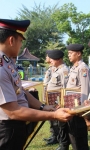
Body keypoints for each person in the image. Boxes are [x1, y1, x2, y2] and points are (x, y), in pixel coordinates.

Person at [0, 18, 72, 150]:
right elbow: (13, 112)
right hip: (7, 128)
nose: (21, 45)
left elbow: (21, 92)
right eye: (20, 41)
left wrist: (43, 106)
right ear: (11, 40)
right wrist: (54, 115)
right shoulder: (1, 68)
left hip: (14, 127)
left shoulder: (7, 63)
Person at [56, 44, 90, 150]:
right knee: (73, 137)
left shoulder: (83, 68)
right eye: (68, 53)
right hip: (70, 108)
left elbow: (85, 90)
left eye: (71, 53)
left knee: (80, 140)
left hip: (78, 110)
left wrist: (82, 110)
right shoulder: (73, 68)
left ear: (79, 54)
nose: (69, 55)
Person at [44, 50, 69, 145]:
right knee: (55, 122)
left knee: (60, 124)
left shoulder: (64, 70)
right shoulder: (57, 69)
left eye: (52, 59)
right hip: (53, 101)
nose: (50, 61)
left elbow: (65, 88)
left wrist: (61, 103)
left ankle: (62, 142)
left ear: (58, 59)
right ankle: (58, 139)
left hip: (58, 102)